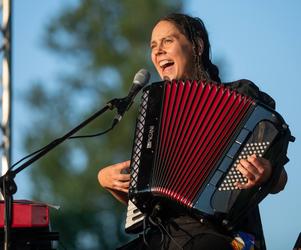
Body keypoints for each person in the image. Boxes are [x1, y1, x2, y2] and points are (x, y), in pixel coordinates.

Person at [98, 13, 288, 250]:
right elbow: (145, 206)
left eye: (167, 41)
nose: (158, 51)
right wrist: (110, 183)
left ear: (196, 46)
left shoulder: (241, 98)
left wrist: (267, 172)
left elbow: (281, 180)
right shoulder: (154, 116)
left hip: (224, 234)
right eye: (153, 46)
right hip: (167, 234)